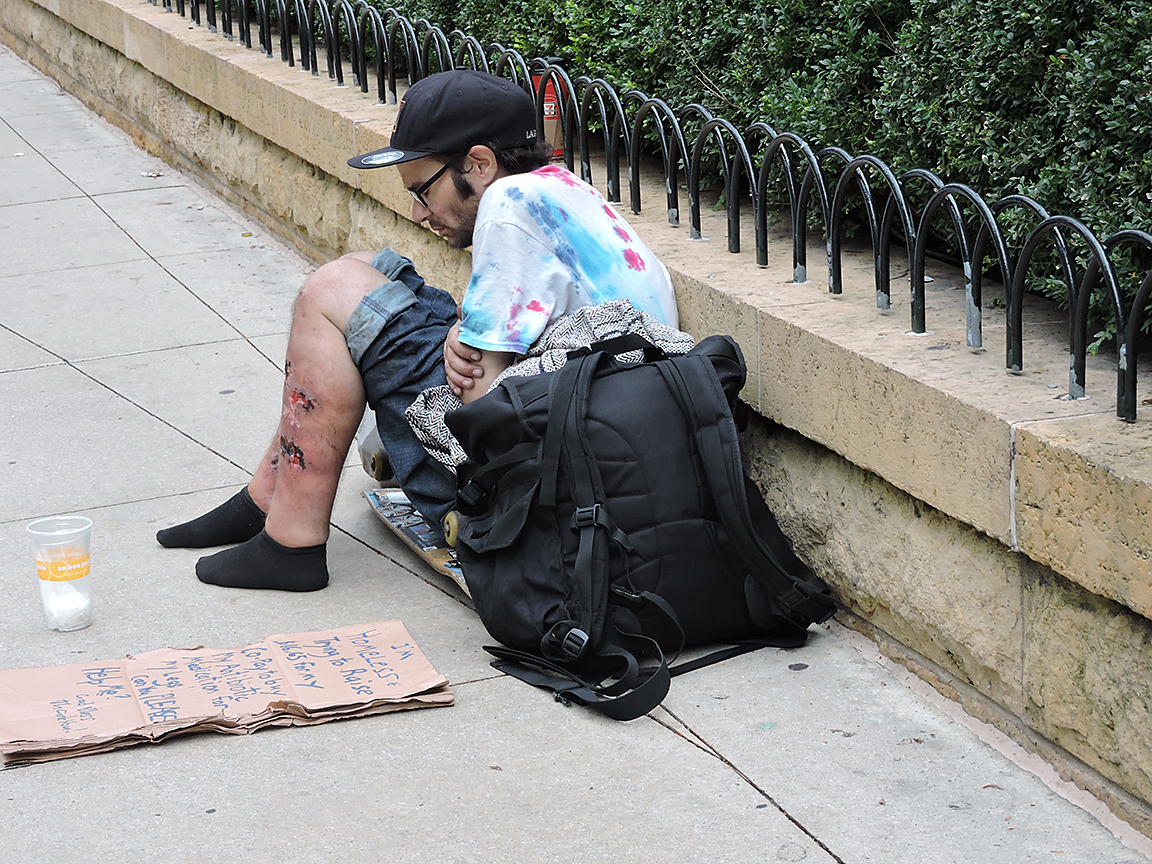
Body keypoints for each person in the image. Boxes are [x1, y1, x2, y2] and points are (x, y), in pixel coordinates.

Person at [155, 69, 678, 591]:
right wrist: (463, 334)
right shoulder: (559, 187)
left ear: (479, 163)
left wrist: (463, 344)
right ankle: (267, 497)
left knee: (330, 291)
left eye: (423, 191)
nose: (417, 212)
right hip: (598, 435)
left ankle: (290, 540)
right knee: (368, 266)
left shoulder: (506, 206)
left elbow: (481, 406)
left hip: (532, 492)